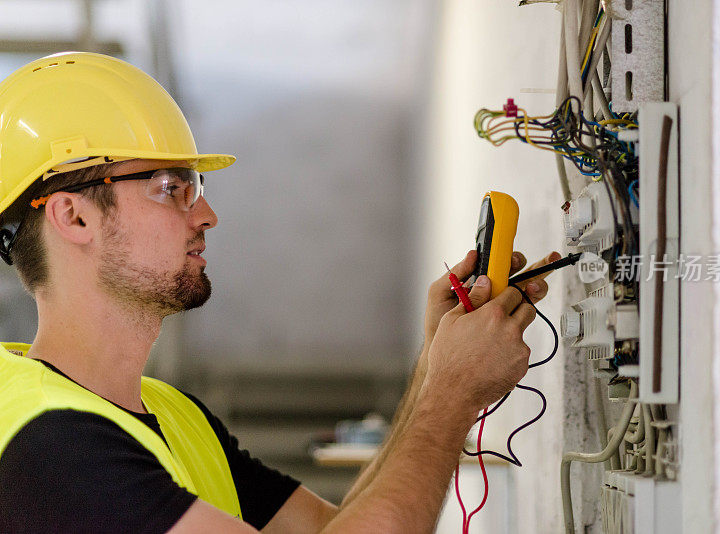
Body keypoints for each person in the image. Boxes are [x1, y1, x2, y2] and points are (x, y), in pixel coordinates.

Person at [0, 52, 557, 533]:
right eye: (170, 188)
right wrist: (452, 395)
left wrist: (438, 367)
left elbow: (338, 531)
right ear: (73, 217)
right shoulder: (48, 447)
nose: (208, 216)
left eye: (197, 188)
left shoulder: (175, 415)